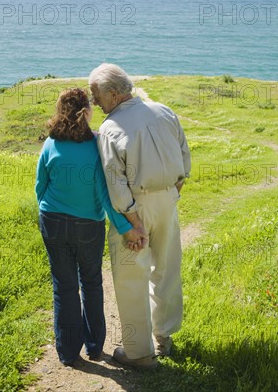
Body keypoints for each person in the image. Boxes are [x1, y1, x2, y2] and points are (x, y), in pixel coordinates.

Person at [89, 63, 191, 370]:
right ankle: (164, 338)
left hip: (136, 207)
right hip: (167, 201)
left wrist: (133, 221)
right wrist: (173, 192)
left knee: (132, 277)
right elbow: (185, 157)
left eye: (96, 94)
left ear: (114, 93)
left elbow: (116, 182)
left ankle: (139, 353)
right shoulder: (164, 110)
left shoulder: (110, 128)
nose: (94, 101)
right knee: (167, 269)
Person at [35, 88, 145, 367]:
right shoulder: (96, 146)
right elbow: (106, 197)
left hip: (53, 221)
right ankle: (95, 347)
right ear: (86, 112)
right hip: (88, 226)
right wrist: (125, 226)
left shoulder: (50, 143)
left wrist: (52, 211)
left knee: (64, 287)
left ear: (60, 111)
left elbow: (40, 186)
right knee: (92, 283)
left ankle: (68, 353)